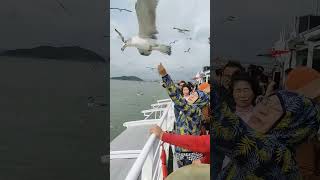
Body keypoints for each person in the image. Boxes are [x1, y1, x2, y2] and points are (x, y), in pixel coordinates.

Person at [210, 67, 320, 179]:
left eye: (274, 109)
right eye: (265, 102)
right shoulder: (272, 143)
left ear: (290, 123)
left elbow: (229, 132)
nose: (262, 109)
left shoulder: (280, 159)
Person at [158, 63, 209, 167]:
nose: (191, 96)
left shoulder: (194, 111)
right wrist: (172, 132)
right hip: (184, 152)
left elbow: (178, 100)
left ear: (200, 101)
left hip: (188, 154)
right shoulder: (190, 110)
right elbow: (184, 128)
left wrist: (164, 76)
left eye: (195, 95)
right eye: (193, 94)